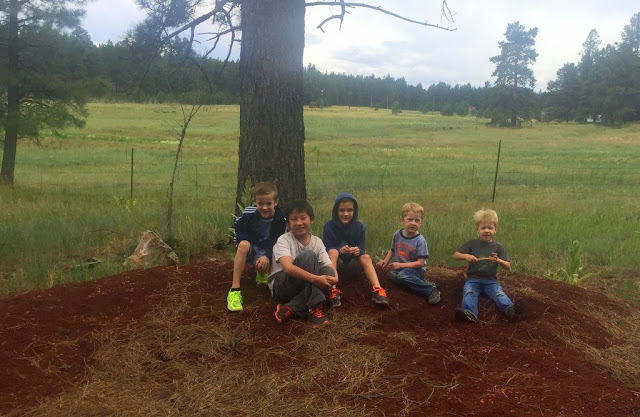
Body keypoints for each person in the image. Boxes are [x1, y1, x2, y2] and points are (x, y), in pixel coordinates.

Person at [268, 200, 338, 325]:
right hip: (282, 287)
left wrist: (335, 280)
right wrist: (316, 279)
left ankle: (290, 307)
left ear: (311, 220)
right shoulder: (283, 240)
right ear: (288, 223)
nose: (299, 223)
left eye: (303, 218)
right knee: (309, 256)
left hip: (304, 286)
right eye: (294, 219)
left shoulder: (317, 242)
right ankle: (314, 309)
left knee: (329, 272)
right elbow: (288, 268)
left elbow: (329, 266)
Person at [453, 208, 523, 323]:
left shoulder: (498, 247)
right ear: (477, 230)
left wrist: (499, 260)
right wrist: (466, 256)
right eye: (483, 228)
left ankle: (511, 311)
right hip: (473, 279)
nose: (486, 231)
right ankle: (470, 313)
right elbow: (455, 255)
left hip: (491, 281)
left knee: (498, 293)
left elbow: (507, 266)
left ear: (495, 230)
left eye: (490, 228)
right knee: (469, 291)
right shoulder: (472, 244)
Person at [227, 182, 286, 312]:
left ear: (276, 202)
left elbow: (279, 242)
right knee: (243, 244)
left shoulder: (281, 219)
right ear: (255, 202)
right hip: (251, 248)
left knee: (280, 253)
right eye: (260, 204)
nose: (264, 208)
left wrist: (267, 256)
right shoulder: (248, 214)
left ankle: (262, 272)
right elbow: (239, 228)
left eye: (268, 204)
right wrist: (243, 243)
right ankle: (234, 290)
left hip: (270, 251)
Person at [322, 192, 389, 307]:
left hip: (353, 265)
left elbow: (362, 249)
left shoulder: (360, 227)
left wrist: (358, 251)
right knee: (332, 252)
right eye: (342, 210)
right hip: (336, 264)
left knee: (366, 256)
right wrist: (339, 249)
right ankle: (333, 291)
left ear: (354, 211)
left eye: (349, 210)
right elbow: (325, 248)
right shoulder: (328, 226)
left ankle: (378, 290)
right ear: (336, 211)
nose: (346, 214)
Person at [376, 202, 441, 305]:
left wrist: (400, 265)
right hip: (402, 269)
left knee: (402, 276)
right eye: (410, 219)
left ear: (421, 222)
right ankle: (419, 285)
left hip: (416, 270)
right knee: (391, 275)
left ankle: (431, 291)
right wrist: (385, 261)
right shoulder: (397, 235)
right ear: (402, 220)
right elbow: (393, 250)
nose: (413, 223)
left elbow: (420, 263)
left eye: (417, 220)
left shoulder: (420, 240)